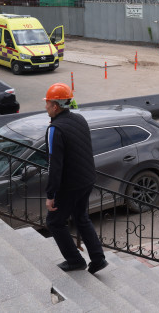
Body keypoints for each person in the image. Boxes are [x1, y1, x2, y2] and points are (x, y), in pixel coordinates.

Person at [43, 82, 108, 274]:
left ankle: (74, 260)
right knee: (80, 217)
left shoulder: (55, 129)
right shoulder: (79, 119)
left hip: (70, 185)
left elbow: (54, 165)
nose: (45, 107)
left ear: (55, 106)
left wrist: (51, 194)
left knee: (54, 222)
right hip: (87, 179)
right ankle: (98, 259)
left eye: (47, 103)